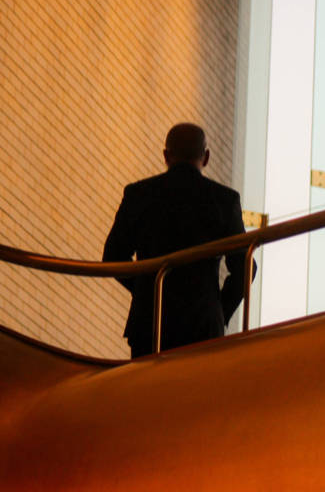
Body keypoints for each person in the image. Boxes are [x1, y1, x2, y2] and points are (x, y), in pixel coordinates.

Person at [103, 123, 249, 358]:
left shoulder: (139, 194)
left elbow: (113, 257)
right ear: (207, 157)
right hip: (202, 324)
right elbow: (245, 267)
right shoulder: (224, 200)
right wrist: (219, 309)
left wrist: (147, 288)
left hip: (150, 322)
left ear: (166, 156)